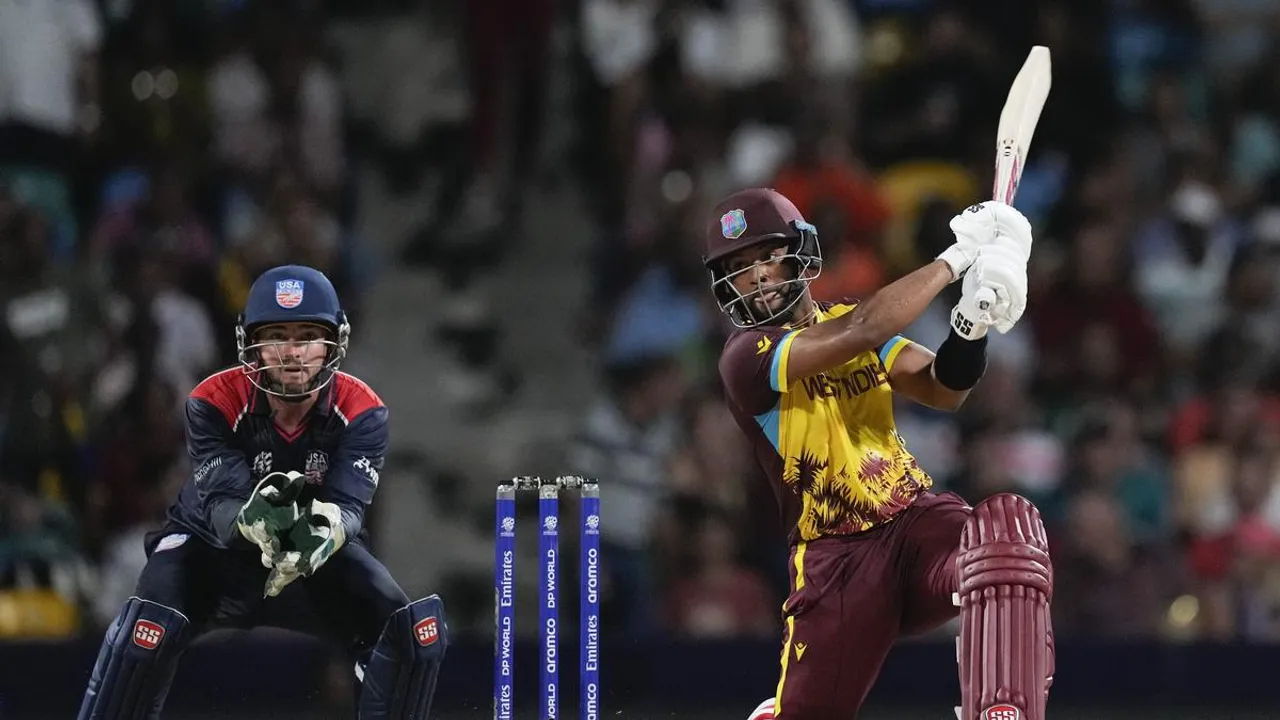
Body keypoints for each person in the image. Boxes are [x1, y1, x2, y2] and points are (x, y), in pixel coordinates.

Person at [706, 189, 1053, 720]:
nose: (754, 276)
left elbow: (946, 388)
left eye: (765, 256)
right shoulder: (745, 357)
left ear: (799, 251)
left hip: (914, 528)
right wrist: (957, 259)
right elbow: (863, 327)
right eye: (738, 267)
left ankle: (1001, 708)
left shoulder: (852, 322)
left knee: (1007, 534)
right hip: (837, 563)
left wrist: (972, 321)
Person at [78, 265, 447, 719]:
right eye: (277, 336)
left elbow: (349, 506)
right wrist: (252, 522)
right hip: (211, 554)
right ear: (250, 345)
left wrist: (326, 531)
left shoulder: (363, 410)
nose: (292, 354)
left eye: (307, 335)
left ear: (335, 343)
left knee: (410, 632)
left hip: (312, 556)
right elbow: (220, 505)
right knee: (145, 628)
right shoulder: (212, 400)